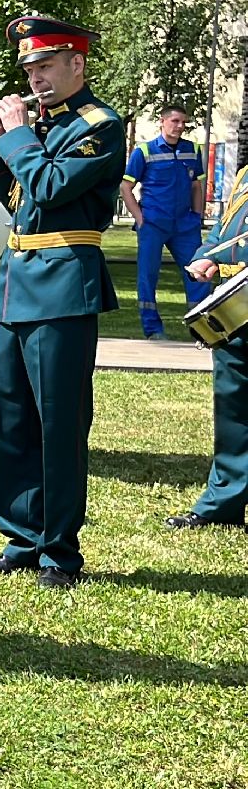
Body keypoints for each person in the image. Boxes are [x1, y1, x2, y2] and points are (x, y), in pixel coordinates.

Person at [0, 16, 125, 589]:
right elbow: (21, 196)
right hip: (17, 279)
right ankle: (20, 536)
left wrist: (14, 138)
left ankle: (59, 549)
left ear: (76, 64)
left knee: (58, 421)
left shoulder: (100, 124)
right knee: (12, 419)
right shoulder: (36, 128)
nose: (35, 77)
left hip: (62, 283)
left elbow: (54, 187)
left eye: (46, 65)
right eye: (29, 68)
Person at [167, 162, 248, 529]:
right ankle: (223, 503)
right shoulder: (246, 174)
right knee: (233, 410)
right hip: (236, 303)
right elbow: (225, 227)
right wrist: (208, 253)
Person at [121, 103, 210, 340]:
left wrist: (197, 216)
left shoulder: (192, 149)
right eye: (175, 121)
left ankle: (200, 328)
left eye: (183, 122)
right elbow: (126, 186)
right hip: (153, 223)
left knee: (197, 273)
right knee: (148, 276)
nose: (180, 126)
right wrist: (140, 219)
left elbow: (196, 185)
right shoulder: (144, 151)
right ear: (162, 121)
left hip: (185, 225)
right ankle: (153, 330)